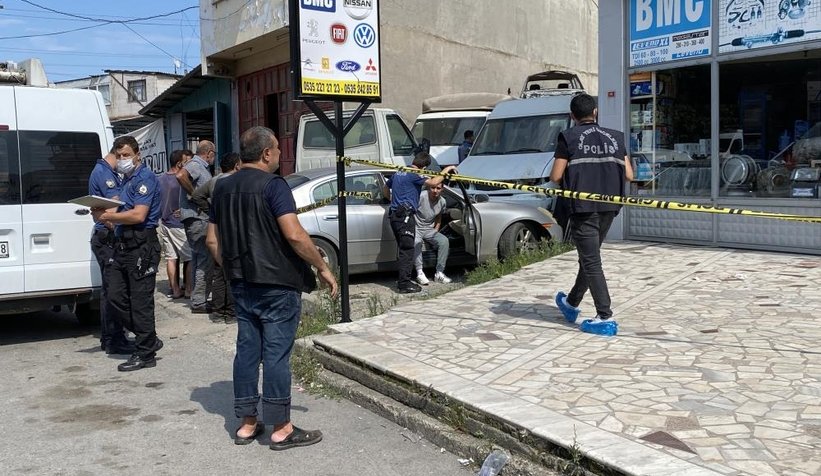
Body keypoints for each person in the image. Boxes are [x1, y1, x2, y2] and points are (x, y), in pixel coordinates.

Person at [206, 126, 337, 450]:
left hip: (241, 282)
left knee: (248, 351)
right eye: (278, 149)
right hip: (276, 284)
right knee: (277, 355)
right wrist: (321, 267)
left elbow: (212, 240)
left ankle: (247, 423)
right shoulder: (274, 185)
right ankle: (281, 427)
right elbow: (293, 234)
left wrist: (233, 268)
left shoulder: (221, 188)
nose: (280, 154)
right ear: (266, 153)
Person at [549, 93, 633, 335]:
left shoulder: (569, 137)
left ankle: (604, 316)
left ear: (572, 116)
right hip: (610, 206)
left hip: (583, 208)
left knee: (591, 260)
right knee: (590, 257)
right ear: (595, 112)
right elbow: (629, 174)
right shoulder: (616, 138)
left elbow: (556, 176)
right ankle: (571, 303)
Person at [91, 136, 163, 371]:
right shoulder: (125, 181)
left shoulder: (145, 179)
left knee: (140, 301)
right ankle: (148, 338)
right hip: (123, 245)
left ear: (137, 155)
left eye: (126, 155)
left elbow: (138, 215)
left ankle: (145, 353)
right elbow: (118, 219)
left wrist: (109, 216)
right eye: (119, 156)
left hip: (142, 245)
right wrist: (100, 215)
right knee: (114, 296)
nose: (122, 160)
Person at [385, 152, 456, 293]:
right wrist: (447, 170)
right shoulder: (415, 174)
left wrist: (392, 201)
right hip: (405, 217)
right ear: (424, 167)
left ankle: (405, 279)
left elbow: (386, 189)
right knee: (407, 250)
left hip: (395, 215)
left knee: (404, 248)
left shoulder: (400, 172)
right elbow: (434, 182)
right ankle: (404, 283)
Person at [87, 149, 132, 355]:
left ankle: (112, 337)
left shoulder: (107, 172)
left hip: (103, 236)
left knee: (110, 289)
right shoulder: (105, 174)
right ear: (118, 154)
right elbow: (113, 210)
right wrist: (120, 230)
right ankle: (114, 338)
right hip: (107, 237)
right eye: (124, 156)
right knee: (113, 290)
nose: (126, 161)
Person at [191, 152, 240, 323]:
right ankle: (232, 313)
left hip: (216, 229)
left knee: (219, 271)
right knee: (233, 271)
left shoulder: (214, 181)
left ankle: (219, 313)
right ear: (237, 166)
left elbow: (196, 195)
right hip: (233, 230)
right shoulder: (236, 181)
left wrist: (211, 212)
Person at [176, 141, 215, 314]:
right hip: (197, 218)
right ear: (209, 153)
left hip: (195, 218)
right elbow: (180, 176)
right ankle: (199, 301)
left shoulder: (199, 167)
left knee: (198, 258)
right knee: (204, 259)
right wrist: (195, 195)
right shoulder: (196, 165)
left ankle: (196, 297)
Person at [157, 150, 192, 299]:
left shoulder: (161, 178)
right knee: (189, 257)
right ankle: (189, 289)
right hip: (178, 224)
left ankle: (175, 289)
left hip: (164, 222)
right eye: (186, 161)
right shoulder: (180, 180)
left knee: (171, 258)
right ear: (179, 163)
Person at [413, 182, 451, 285]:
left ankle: (439, 273)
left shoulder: (442, 202)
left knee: (444, 241)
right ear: (429, 188)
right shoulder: (421, 196)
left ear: (442, 189)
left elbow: (439, 217)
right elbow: (411, 210)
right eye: (433, 188)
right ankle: (420, 272)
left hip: (429, 229)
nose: (435, 191)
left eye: (438, 188)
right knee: (417, 242)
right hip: (416, 227)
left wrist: (436, 229)